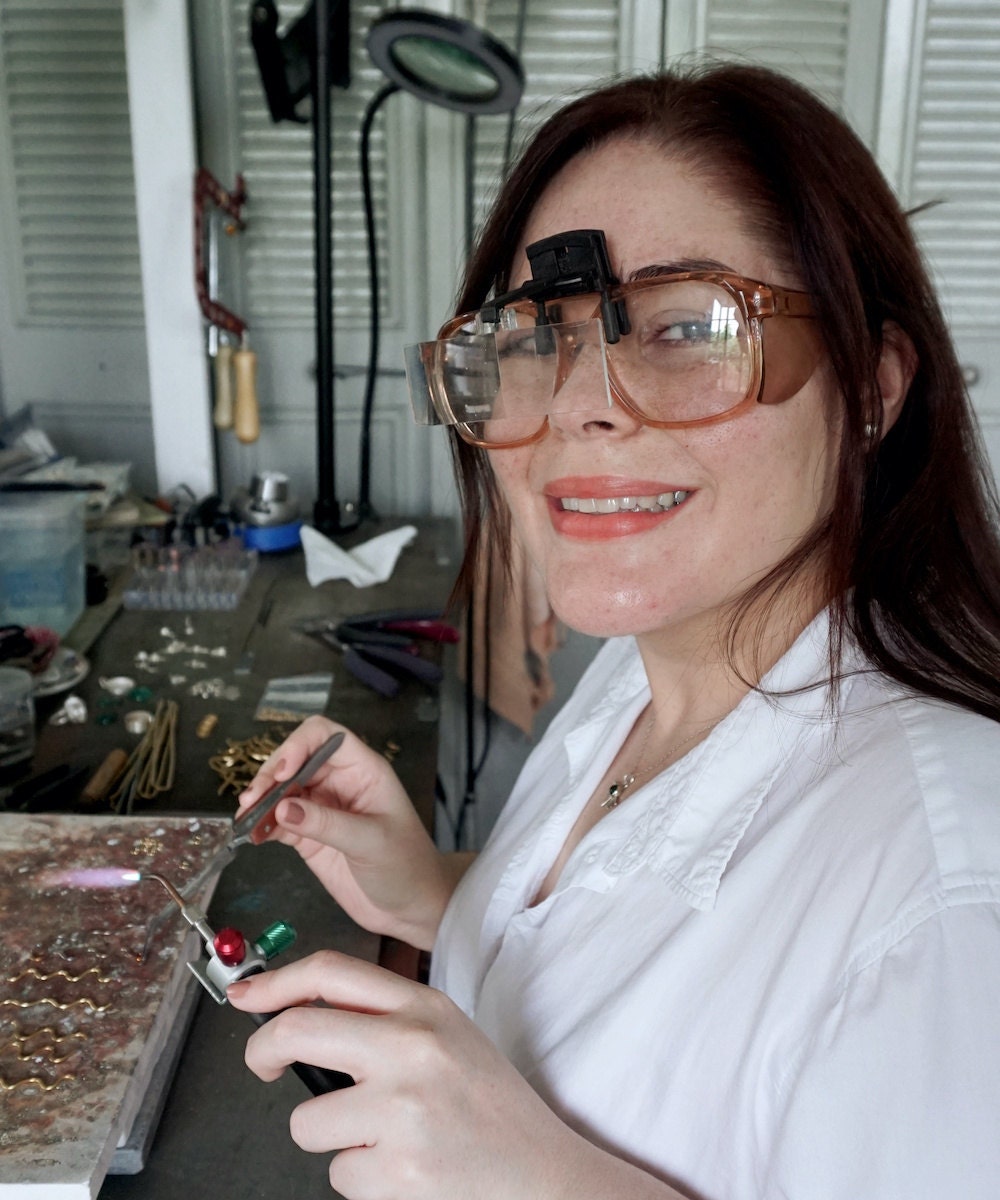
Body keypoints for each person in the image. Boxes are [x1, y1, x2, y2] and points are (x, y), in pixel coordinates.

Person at [230, 63, 1000, 1199]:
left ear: (872, 387)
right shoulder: (643, 670)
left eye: (687, 325)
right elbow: (667, 984)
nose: (580, 405)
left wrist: (548, 1182)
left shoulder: (949, 902)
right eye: (536, 340)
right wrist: (443, 895)